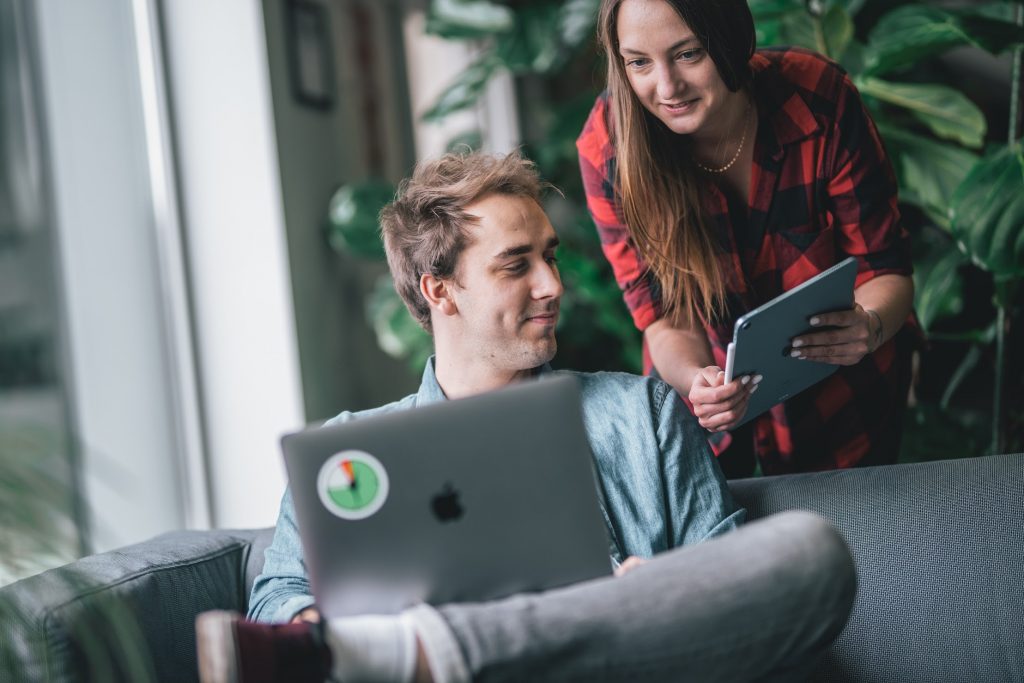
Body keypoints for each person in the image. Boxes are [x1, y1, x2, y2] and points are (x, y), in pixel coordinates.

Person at [195, 151, 856, 683]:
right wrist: (321, 616)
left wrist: (660, 593)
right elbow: (276, 607)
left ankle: (428, 650)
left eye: (550, 256)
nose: (553, 284)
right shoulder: (345, 452)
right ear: (440, 289)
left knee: (813, 553)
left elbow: (737, 584)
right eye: (518, 265)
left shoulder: (643, 413)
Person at [577, 0, 921, 477]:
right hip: (709, 432)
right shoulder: (607, 148)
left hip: (846, 410)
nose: (666, 87)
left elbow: (887, 270)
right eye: (639, 62)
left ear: (730, 38)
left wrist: (872, 326)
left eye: (688, 54)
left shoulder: (817, 99)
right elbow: (664, 322)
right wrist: (700, 382)